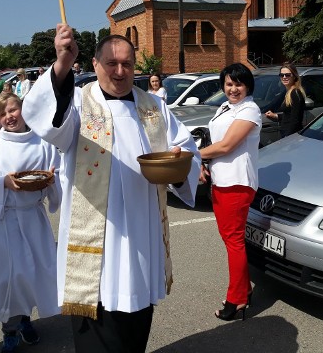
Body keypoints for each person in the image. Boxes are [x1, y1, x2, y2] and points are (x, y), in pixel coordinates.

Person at [22, 25, 201, 352]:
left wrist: (179, 166)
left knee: (135, 335)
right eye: (111, 64)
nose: (120, 72)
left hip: (143, 243)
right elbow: (45, 121)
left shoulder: (154, 107)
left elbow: (186, 148)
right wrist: (61, 64)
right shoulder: (78, 102)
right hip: (98, 254)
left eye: (128, 64)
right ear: (94, 64)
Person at [0, 93, 62, 352]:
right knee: (9, 277)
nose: (9, 117)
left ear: (23, 111)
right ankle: (9, 329)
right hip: (6, 220)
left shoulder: (43, 144)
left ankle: (24, 319)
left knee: (32, 274)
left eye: (13, 110)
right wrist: (1, 182)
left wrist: (52, 181)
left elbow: (57, 174)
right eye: (3, 114)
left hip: (33, 218)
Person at [197, 63, 262, 321]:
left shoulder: (250, 110)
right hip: (220, 181)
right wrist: (202, 163)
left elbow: (226, 146)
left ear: (247, 86)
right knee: (229, 240)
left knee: (234, 242)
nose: (233, 89)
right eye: (228, 84)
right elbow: (215, 144)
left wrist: (192, 156)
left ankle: (236, 300)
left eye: (238, 84)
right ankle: (244, 290)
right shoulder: (226, 107)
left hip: (238, 182)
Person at [265, 63, 306, 137]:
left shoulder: (295, 93)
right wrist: (276, 116)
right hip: (286, 133)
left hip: (290, 136)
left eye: (287, 75)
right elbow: (289, 115)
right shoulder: (288, 92)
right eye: (282, 75)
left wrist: (287, 138)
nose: (284, 77)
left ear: (294, 76)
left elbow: (295, 120)